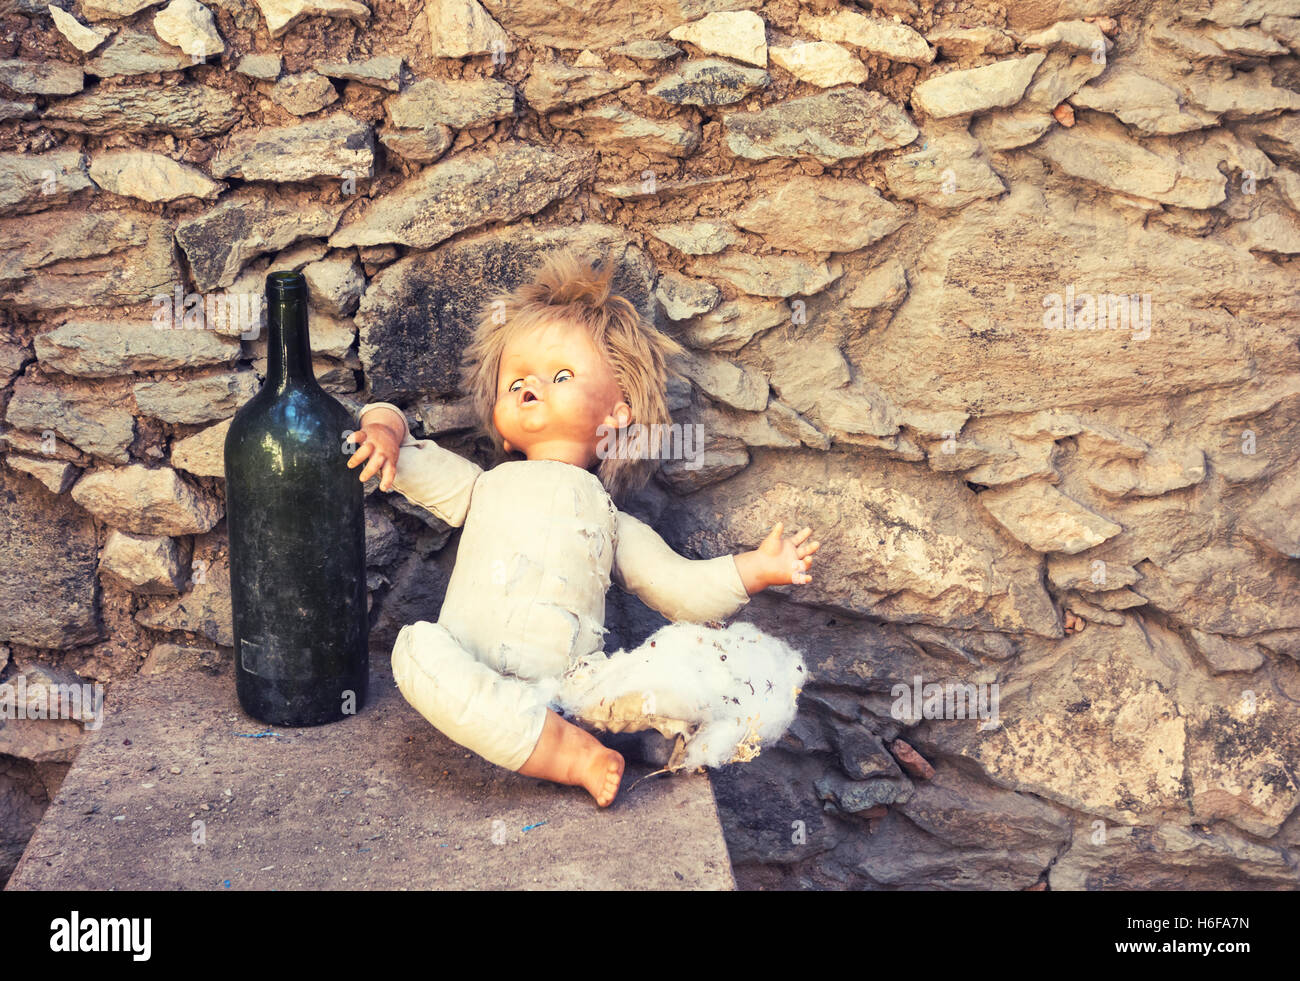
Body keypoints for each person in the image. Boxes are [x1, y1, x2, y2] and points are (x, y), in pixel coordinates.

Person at [347, 250, 818, 807]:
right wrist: (380, 427)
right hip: (467, 663)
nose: (530, 387)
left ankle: (582, 733)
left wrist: (754, 570)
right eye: (515, 380)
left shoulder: (609, 519)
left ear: (618, 412)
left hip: (571, 686)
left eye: (561, 375)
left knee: (701, 678)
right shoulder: (480, 486)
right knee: (415, 651)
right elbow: (400, 441)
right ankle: (568, 755)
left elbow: (678, 585)